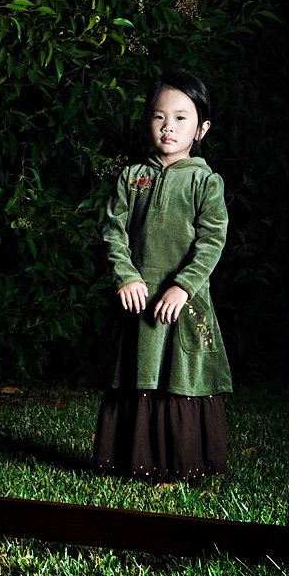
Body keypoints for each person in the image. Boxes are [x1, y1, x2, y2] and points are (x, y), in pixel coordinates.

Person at [91, 70, 232, 481]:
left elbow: (211, 242)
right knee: (137, 372)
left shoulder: (206, 182)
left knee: (179, 376)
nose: (168, 126)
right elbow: (112, 232)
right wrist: (126, 276)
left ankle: (183, 462)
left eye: (181, 118)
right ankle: (130, 459)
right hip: (139, 297)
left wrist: (183, 286)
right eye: (158, 117)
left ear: (202, 128)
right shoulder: (132, 178)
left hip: (182, 303)